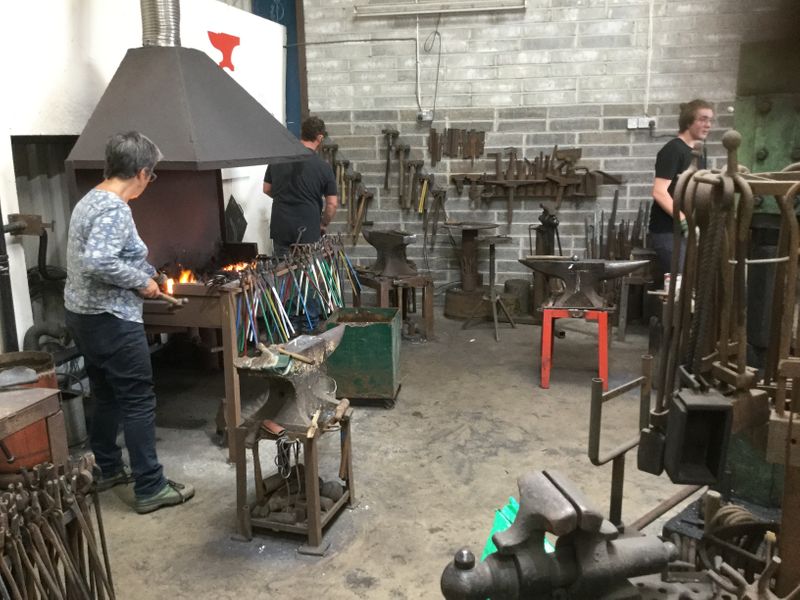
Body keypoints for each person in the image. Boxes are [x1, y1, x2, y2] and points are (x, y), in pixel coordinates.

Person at [64, 131, 195, 514]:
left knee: (105, 393)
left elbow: (106, 256)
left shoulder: (90, 200)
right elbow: (98, 261)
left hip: (83, 315)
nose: (148, 184)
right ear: (141, 172)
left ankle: (107, 468)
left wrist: (147, 273)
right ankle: (150, 486)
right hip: (111, 319)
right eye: (150, 176)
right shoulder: (114, 208)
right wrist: (141, 282)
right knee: (138, 401)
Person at [263, 115, 338, 331]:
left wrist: (286, 199)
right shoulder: (323, 167)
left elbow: (267, 189)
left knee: (283, 277)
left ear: (301, 134)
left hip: (281, 227)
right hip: (308, 230)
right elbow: (331, 205)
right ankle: (308, 323)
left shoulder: (279, 159)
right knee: (308, 277)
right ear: (320, 137)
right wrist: (323, 223)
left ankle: (286, 325)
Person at [648, 99, 713, 280]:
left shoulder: (698, 154)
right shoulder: (673, 150)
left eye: (710, 120)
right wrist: (684, 221)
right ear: (688, 121)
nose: (708, 125)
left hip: (687, 230)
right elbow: (659, 191)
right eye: (702, 119)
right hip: (668, 232)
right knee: (678, 285)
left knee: (691, 283)